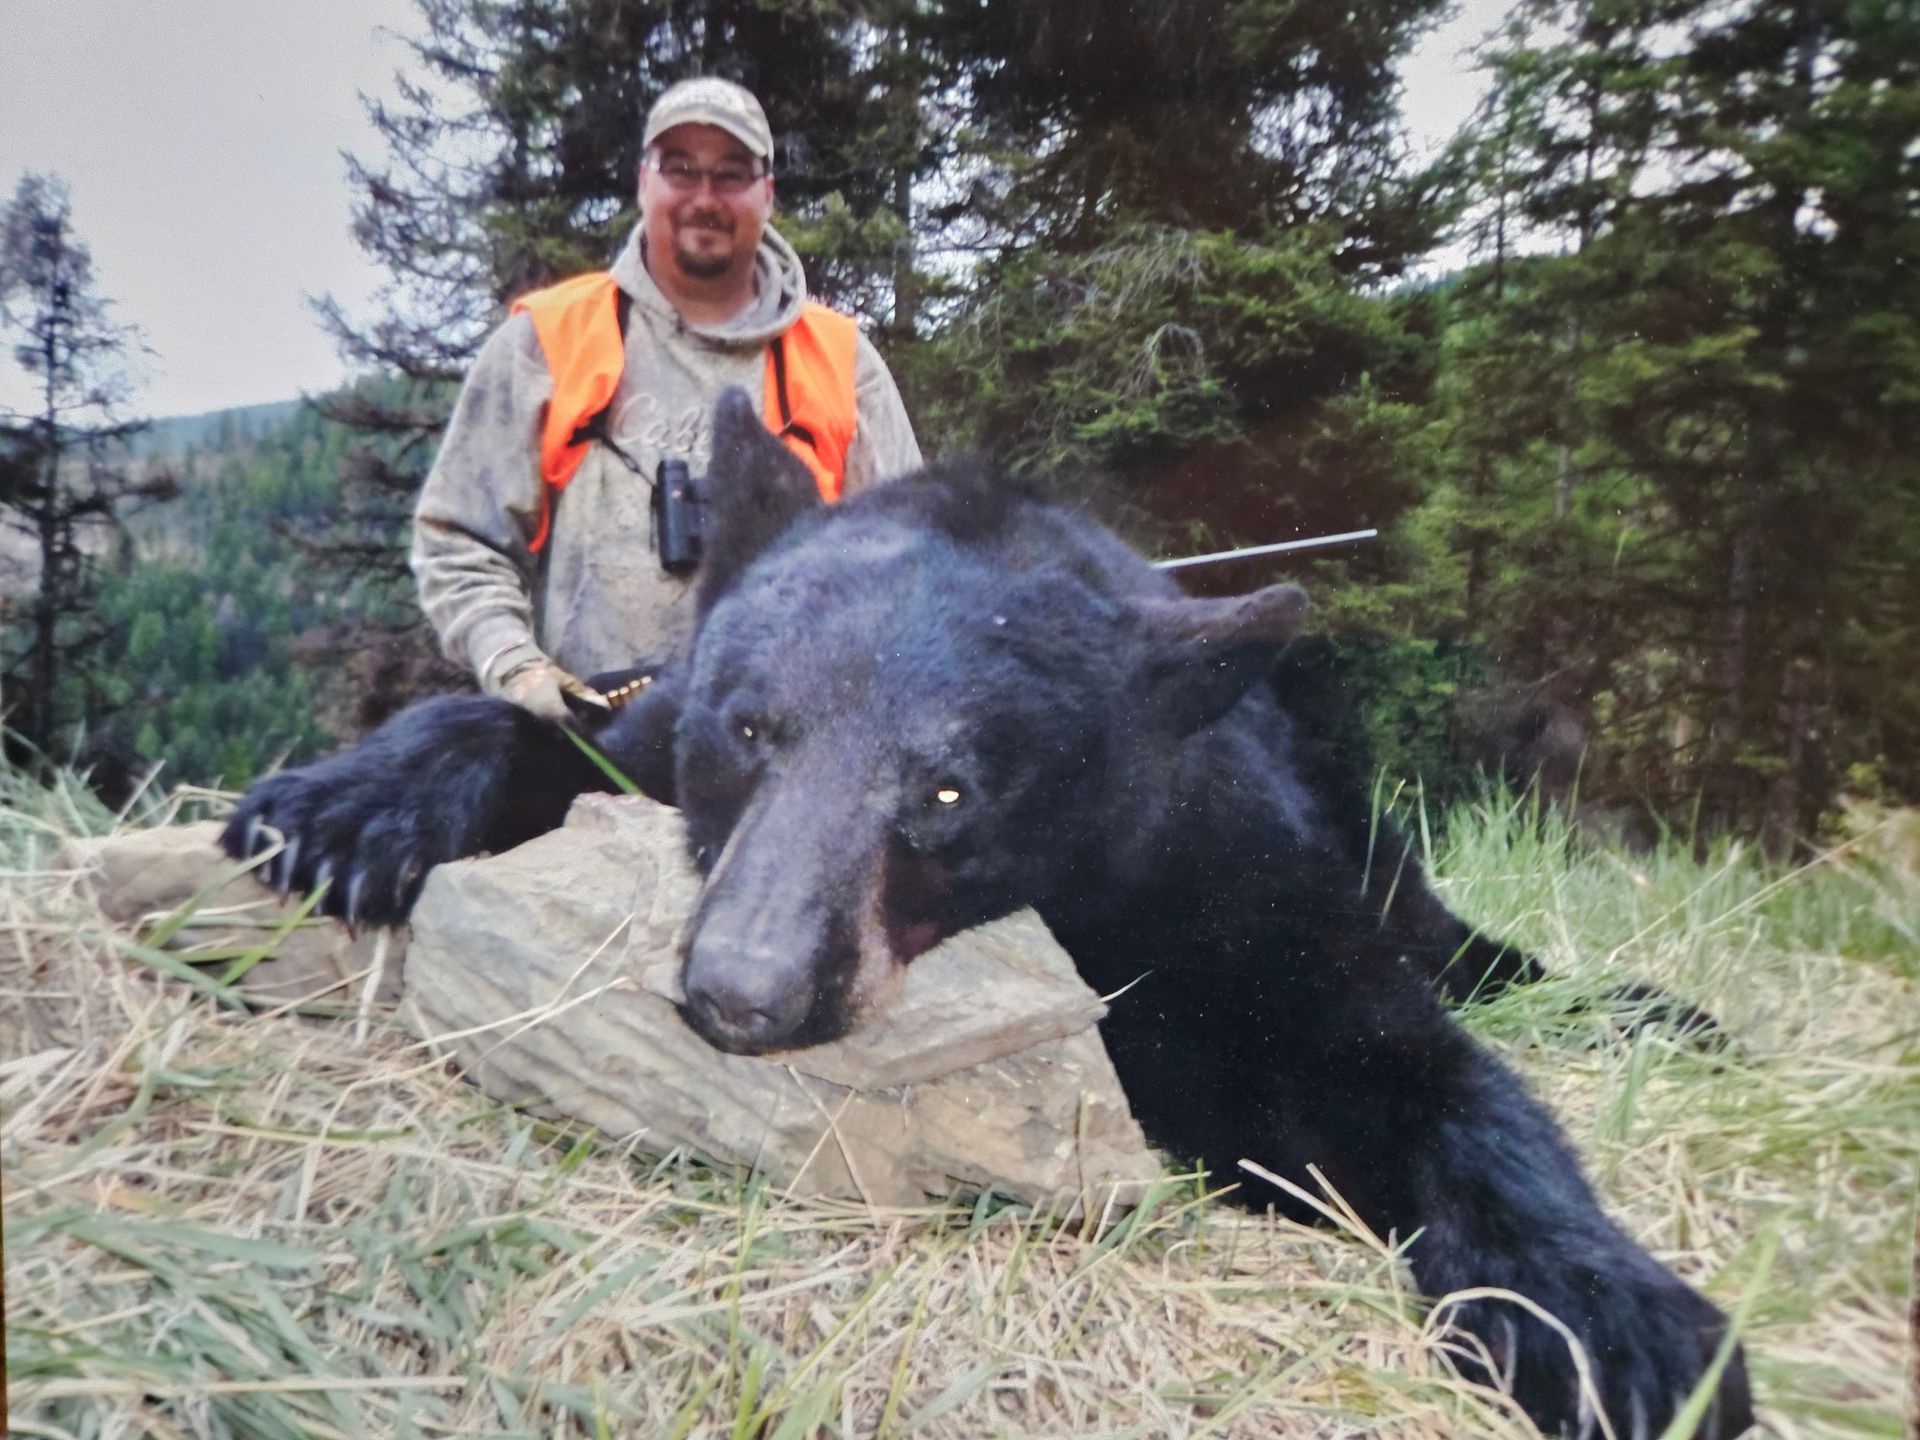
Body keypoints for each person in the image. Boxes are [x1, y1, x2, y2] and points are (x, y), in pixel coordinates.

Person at [410, 76, 923, 720]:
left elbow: (914, 570)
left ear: (767, 194)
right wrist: (512, 662)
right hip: (591, 746)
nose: (704, 198)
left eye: (731, 174)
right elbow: (459, 536)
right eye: (680, 169)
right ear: (642, 182)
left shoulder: (843, 363)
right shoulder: (548, 340)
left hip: (777, 768)